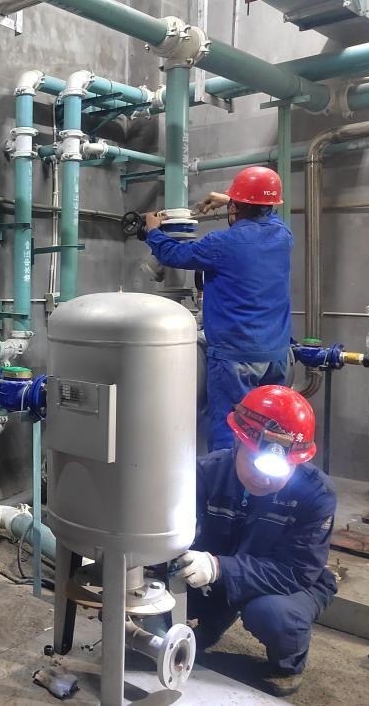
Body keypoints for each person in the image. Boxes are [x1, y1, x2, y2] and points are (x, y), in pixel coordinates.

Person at [172, 385, 336, 698]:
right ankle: (213, 619)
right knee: (160, 595)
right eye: (257, 463)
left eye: (279, 470)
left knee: (274, 615)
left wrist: (219, 568)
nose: (265, 478)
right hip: (214, 574)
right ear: (237, 443)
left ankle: (287, 664)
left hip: (287, 581)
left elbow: (297, 571)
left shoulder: (316, 495)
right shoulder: (205, 475)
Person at [144, 166, 292, 452]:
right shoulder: (283, 235)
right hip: (276, 354)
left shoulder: (221, 244)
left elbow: (173, 254)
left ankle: (226, 480)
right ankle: (263, 477)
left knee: (232, 429)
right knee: (269, 428)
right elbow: (267, 213)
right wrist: (231, 201)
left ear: (237, 207)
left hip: (235, 357)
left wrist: (153, 231)